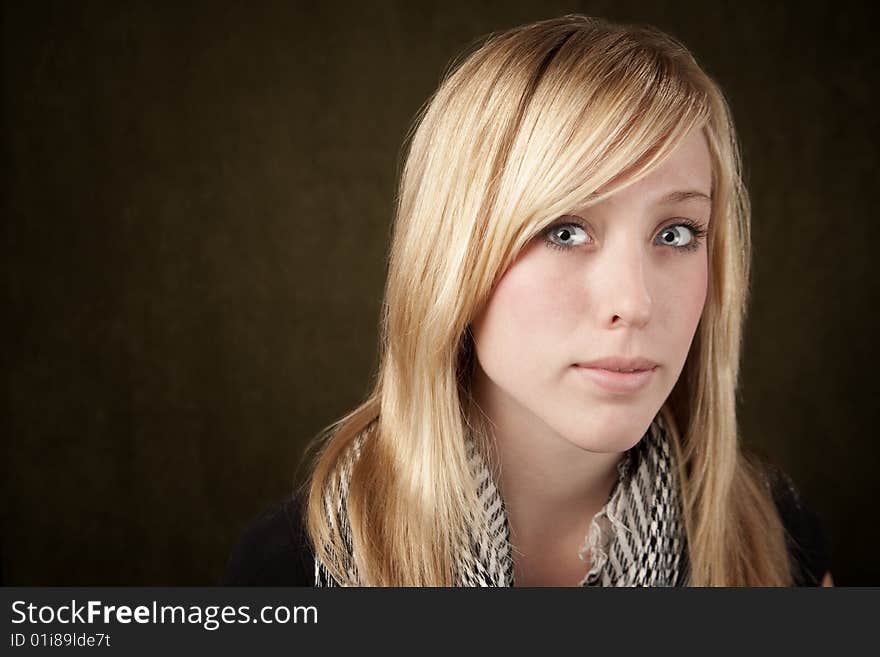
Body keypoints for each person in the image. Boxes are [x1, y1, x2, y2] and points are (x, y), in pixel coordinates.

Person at [222, 14, 832, 587]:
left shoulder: (776, 543)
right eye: (563, 230)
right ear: (454, 255)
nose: (634, 303)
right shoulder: (297, 572)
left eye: (676, 234)